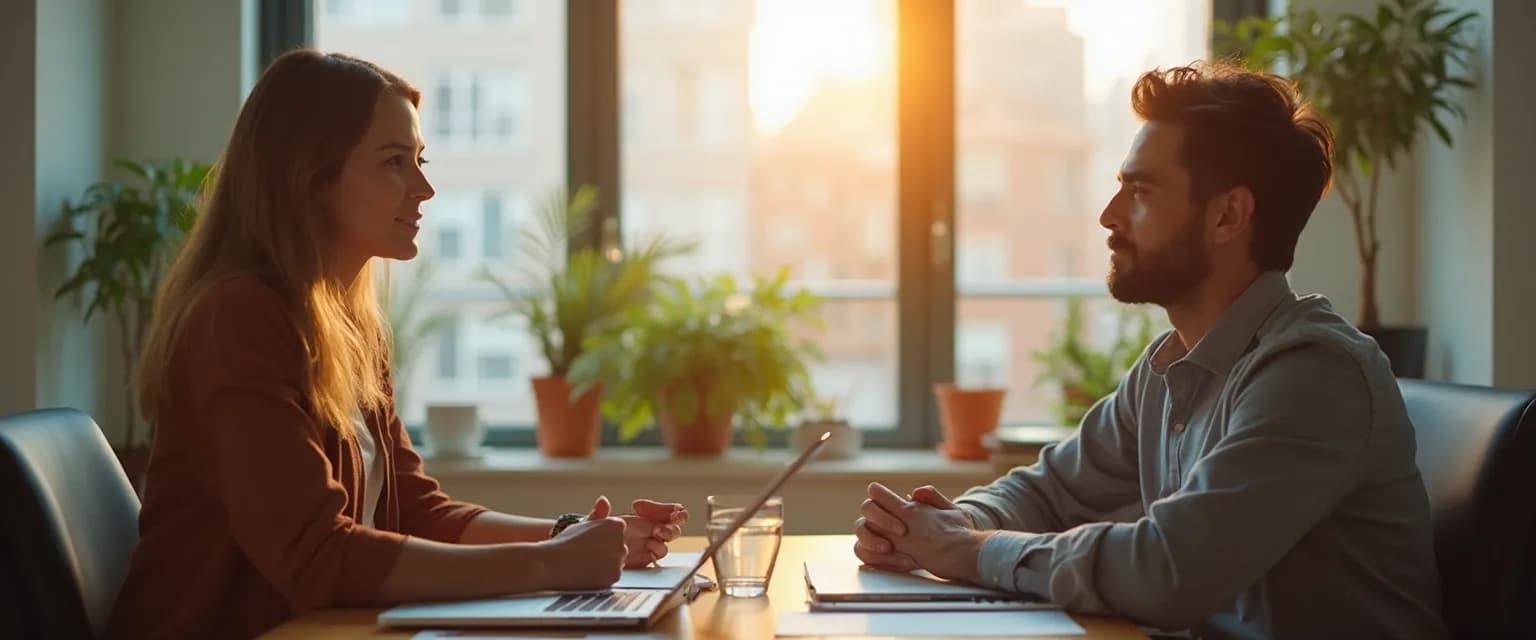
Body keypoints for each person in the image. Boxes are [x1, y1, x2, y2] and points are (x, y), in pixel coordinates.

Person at [853, 62, 1446, 639]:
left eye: (1139, 192)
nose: (1109, 217)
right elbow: (1051, 489)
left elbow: (1168, 570)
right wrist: (953, 521)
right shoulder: (1168, 367)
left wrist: (964, 549)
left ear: (1228, 215)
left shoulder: (1313, 374)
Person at [107, 50, 687, 639]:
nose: (425, 188)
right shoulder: (237, 317)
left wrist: (568, 536)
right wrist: (548, 566)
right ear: (309, 179)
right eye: (394, 162)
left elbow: (413, 511)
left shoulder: (347, 324)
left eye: (419, 160)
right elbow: (317, 556)